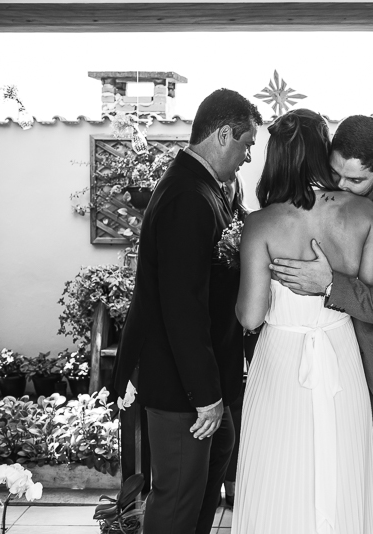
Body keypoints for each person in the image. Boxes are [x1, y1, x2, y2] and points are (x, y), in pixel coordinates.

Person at [269, 114, 373, 534]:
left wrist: (332, 285)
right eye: (335, 173)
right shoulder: (312, 199)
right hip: (318, 371)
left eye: (356, 180)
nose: (341, 186)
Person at [113, 88, 261, 534]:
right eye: (246, 144)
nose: (248, 156)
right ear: (223, 135)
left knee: (218, 454)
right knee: (177, 497)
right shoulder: (187, 197)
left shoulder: (209, 188)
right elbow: (182, 306)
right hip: (179, 382)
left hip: (201, 371)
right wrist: (205, 396)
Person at [232, 108, 373, 534]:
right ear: (324, 151)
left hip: (281, 361)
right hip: (341, 355)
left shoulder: (261, 224)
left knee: (279, 470)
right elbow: (368, 298)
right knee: (343, 466)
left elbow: (250, 316)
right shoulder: (364, 213)